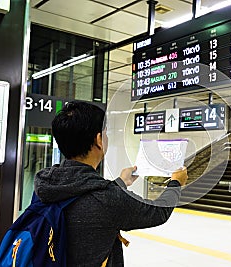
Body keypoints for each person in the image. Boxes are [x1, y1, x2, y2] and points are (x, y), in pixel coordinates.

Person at [34, 101, 188, 267]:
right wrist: (176, 182)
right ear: (99, 140)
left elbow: (84, 194)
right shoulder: (108, 199)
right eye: (105, 133)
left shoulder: (45, 184)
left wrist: (122, 182)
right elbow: (158, 212)